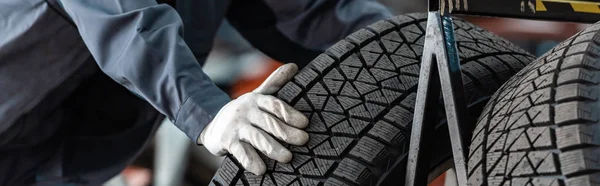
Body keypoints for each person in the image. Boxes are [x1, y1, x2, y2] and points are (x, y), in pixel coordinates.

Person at [0, 0, 392, 185]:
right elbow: (125, 21)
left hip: (59, 169)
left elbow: (312, 17)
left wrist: (408, 44)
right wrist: (208, 113)